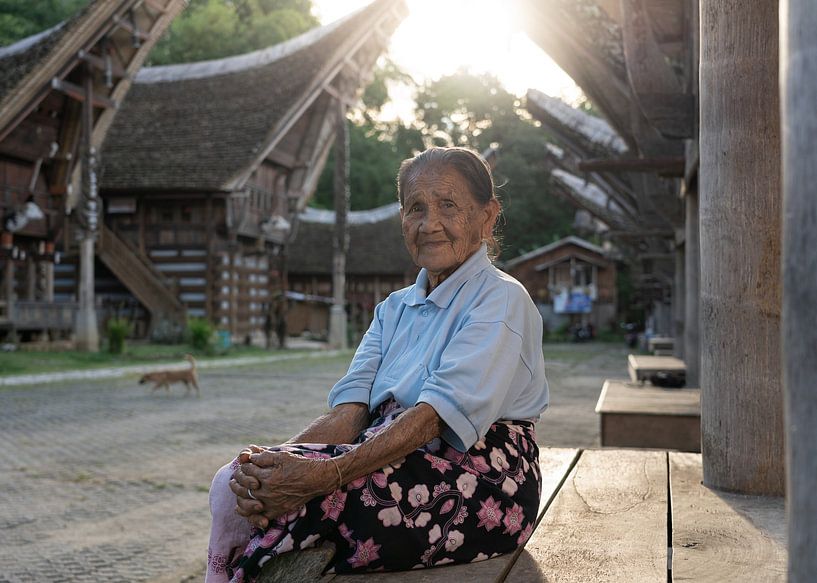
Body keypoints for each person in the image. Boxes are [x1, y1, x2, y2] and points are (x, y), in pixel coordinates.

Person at [206, 147, 549, 582]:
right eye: (416, 208)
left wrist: (323, 473)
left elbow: (432, 419)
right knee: (234, 479)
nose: (430, 224)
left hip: (481, 480)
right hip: (393, 457)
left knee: (312, 504)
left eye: (448, 205)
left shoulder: (500, 299)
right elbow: (349, 414)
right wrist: (275, 463)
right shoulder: (393, 308)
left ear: (487, 215)